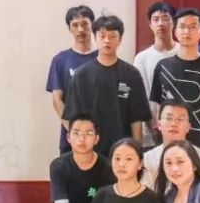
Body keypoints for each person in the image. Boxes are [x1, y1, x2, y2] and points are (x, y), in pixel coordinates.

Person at [61, 14, 151, 156]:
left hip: (122, 153)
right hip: (90, 152)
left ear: (120, 39)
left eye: (112, 36)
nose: (107, 40)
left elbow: (136, 121)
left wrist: (136, 154)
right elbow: (71, 119)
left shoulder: (132, 74)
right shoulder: (81, 76)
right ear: (95, 38)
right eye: (102, 36)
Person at [149, 7, 200, 153]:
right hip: (169, 141)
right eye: (182, 27)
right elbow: (156, 103)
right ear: (175, 31)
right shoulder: (163, 66)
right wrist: (165, 128)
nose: (186, 31)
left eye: (193, 27)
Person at [45, 5, 96, 154]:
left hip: (100, 136)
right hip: (70, 139)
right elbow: (57, 100)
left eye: (85, 24)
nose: (80, 29)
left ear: (92, 26)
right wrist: (73, 130)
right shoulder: (60, 60)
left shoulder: (103, 58)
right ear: (69, 29)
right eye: (75, 25)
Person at [132, 1, 179, 147]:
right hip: (151, 131)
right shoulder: (142, 58)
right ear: (150, 24)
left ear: (174, 22)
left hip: (180, 129)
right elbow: (140, 95)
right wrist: (153, 124)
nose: (160, 24)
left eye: (165, 18)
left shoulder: (183, 52)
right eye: (156, 19)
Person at [141, 102, 200, 188]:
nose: (174, 124)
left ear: (188, 127)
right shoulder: (147, 159)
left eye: (180, 119)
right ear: (159, 125)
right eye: (169, 118)